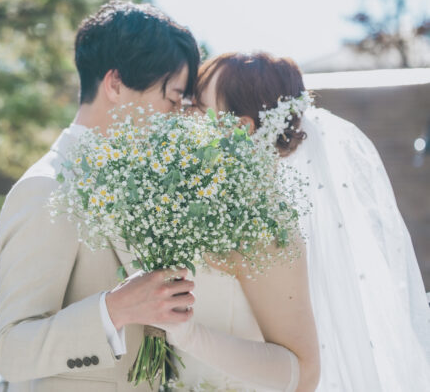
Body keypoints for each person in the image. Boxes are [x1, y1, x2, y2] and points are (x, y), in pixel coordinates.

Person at [169, 52, 430, 391]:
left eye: (198, 105)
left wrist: (189, 336)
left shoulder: (266, 228)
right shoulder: (200, 208)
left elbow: (305, 374)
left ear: (241, 128)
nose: (183, 113)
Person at [0, 0, 201, 392]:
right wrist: (115, 309)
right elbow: (10, 351)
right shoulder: (46, 188)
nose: (177, 118)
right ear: (116, 85)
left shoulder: (149, 185)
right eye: (172, 100)